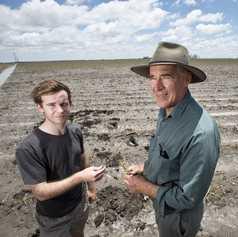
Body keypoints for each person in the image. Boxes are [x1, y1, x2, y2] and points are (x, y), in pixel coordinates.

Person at [124, 42, 220, 237]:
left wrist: (143, 186)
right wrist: (146, 168)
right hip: (162, 207)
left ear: (186, 79)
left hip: (178, 218)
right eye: (152, 77)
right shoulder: (166, 109)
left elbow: (186, 198)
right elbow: (167, 152)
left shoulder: (201, 134)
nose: (156, 86)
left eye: (166, 76)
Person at [15, 80, 105, 237]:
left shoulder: (75, 130)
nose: (60, 110)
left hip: (80, 205)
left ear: (70, 103)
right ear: (40, 107)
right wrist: (80, 177)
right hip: (54, 218)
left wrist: (91, 189)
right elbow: (40, 192)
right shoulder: (29, 147)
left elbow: (83, 159)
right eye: (51, 105)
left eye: (64, 104)